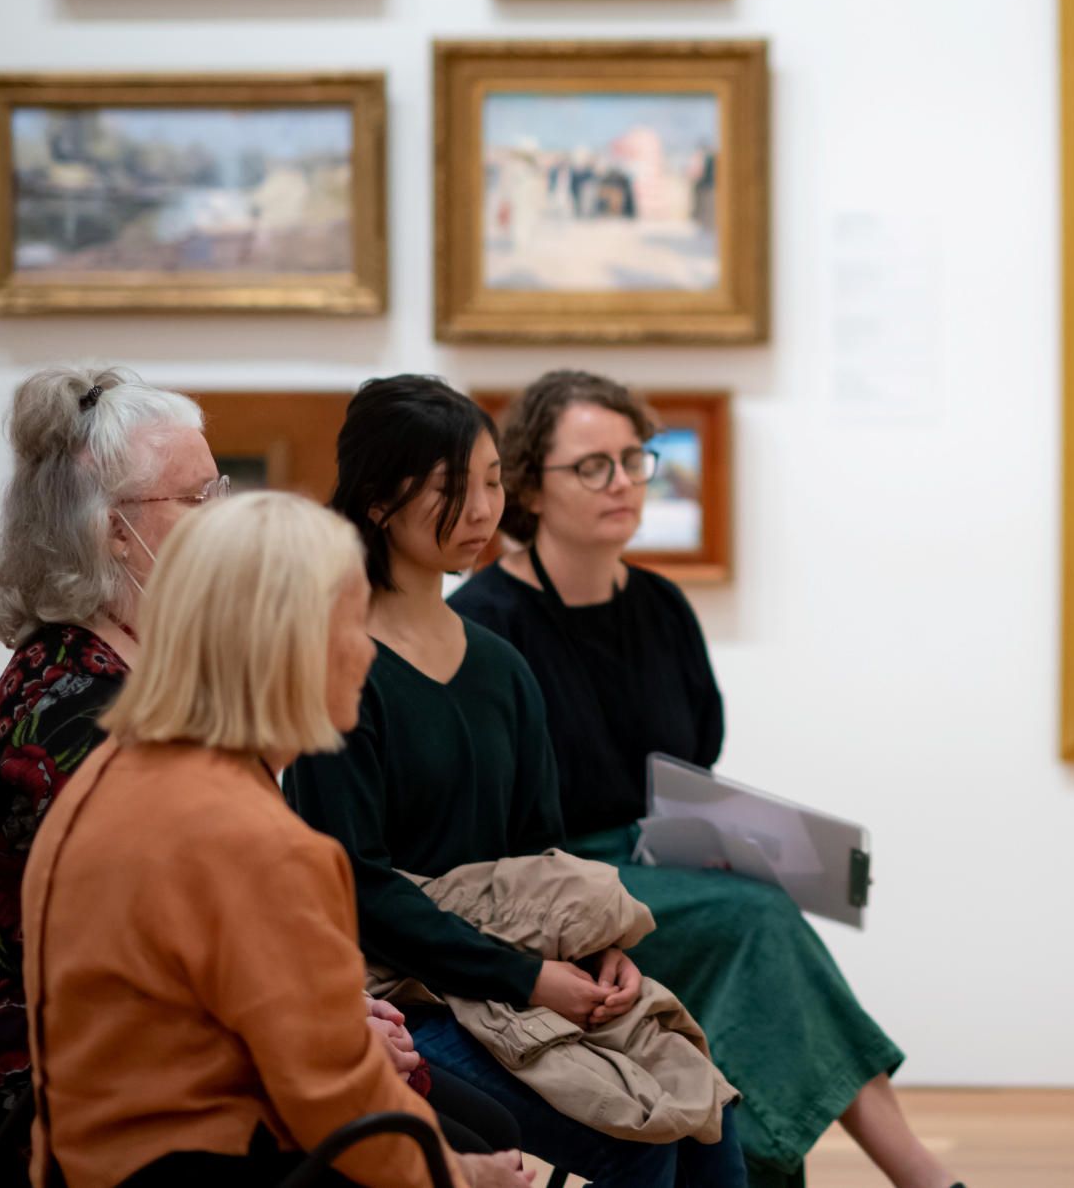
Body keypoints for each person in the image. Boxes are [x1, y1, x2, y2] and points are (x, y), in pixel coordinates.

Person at [451, 371, 959, 1188]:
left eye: (634, 459)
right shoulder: (484, 622)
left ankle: (794, 1166)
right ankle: (919, 1175)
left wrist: (717, 836)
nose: (623, 483)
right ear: (528, 488)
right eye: (592, 466)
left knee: (761, 913)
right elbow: (494, 822)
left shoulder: (661, 605)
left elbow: (690, 764)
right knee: (760, 919)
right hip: (553, 882)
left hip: (662, 864)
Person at [287, 376, 746, 1188]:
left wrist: (600, 950)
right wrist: (528, 977)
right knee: (632, 1139)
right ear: (380, 501)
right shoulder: (341, 661)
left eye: (493, 481)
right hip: (406, 991)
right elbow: (356, 883)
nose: (481, 509)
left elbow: (542, 852)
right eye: (452, 489)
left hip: (519, 972)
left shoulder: (500, 664)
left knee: (710, 1109)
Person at [22, 490, 531, 1188]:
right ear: (288, 647)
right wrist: (467, 1179)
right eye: (353, 625)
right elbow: (336, 1103)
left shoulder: (114, 766)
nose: (368, 651)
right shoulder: (259, 841)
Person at [0, 366, 220, 1188]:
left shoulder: (126, 667)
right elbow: (157, 957)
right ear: (115, 531)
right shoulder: (73, 713)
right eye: (196, 500)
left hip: (124, 1054)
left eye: (219, 490)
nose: (219, 521)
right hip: (54, 1093)